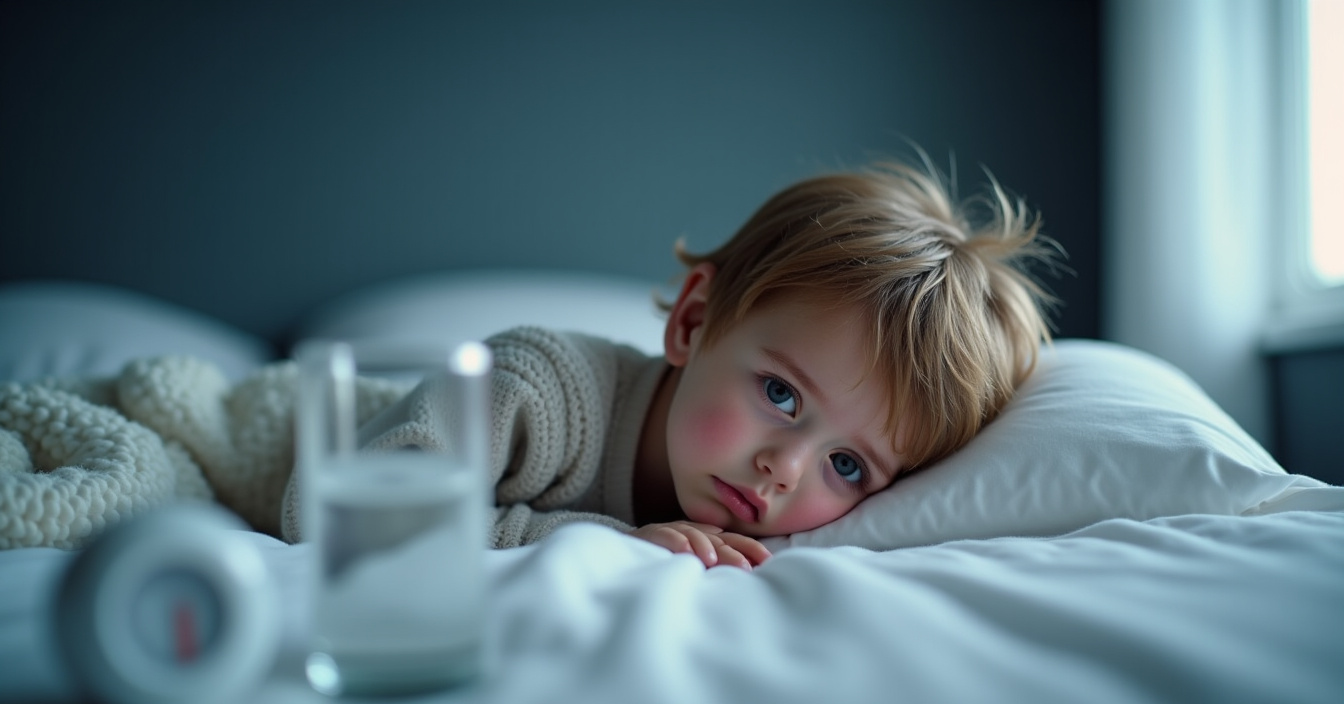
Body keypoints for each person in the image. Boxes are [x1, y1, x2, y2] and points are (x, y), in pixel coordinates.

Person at [286, 156, 1059, 570]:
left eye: (849, 465)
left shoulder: (779, 546)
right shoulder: (535, 388)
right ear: (693, 320)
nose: (784, 470)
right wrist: (592, 543)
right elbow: (332, 516)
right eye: (782, 395)